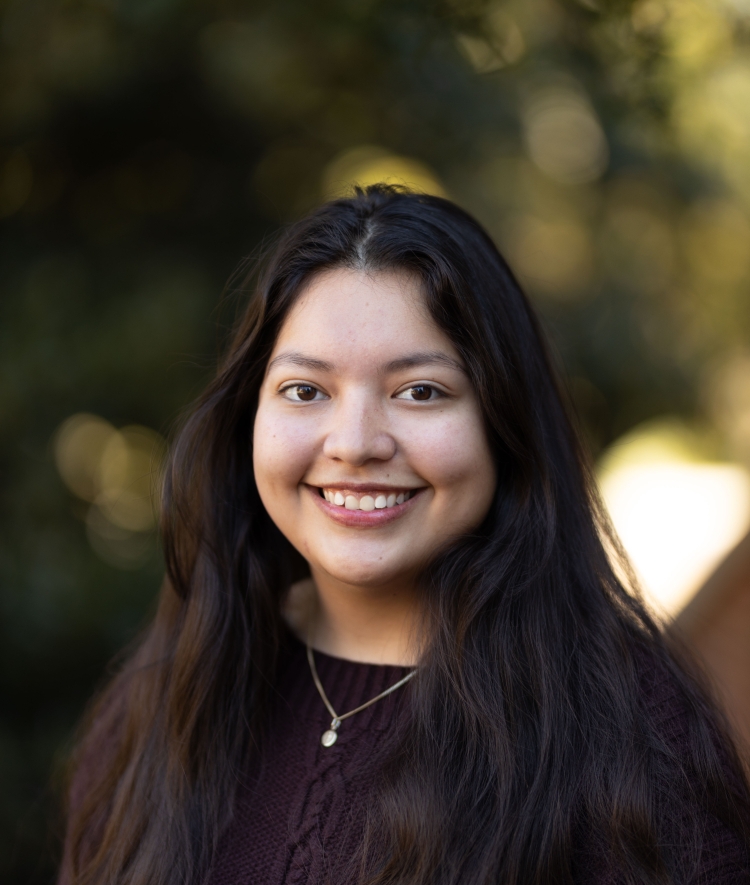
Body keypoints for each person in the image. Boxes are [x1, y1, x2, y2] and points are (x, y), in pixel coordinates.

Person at [58, 185, 750, 885]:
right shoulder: (172, 692)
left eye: (420, 390)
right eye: (305, 390)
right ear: (247, 418)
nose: (354, 443)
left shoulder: (629, 730)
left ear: (503, 426)